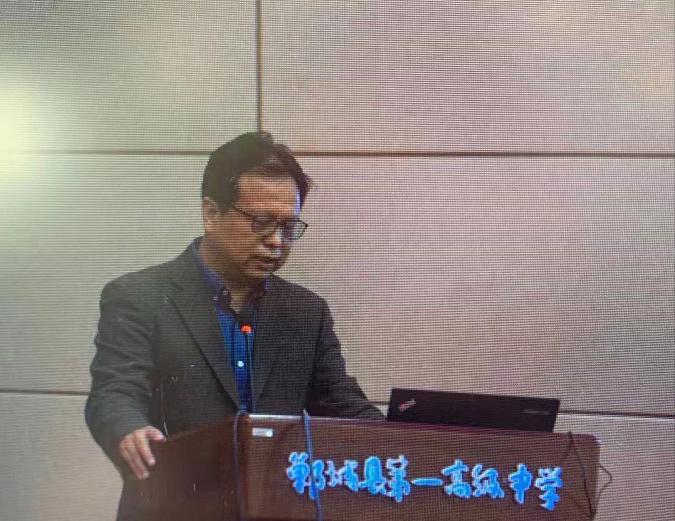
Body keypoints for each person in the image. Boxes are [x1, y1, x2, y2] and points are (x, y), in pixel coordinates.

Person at [85, 132, 382, 494]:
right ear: (211, 213)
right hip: (174, 502)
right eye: (261, 222)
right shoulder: (139, 296)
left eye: (289, 227)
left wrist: (417, 438)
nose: (276, 241)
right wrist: (129, 429)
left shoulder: (306, 312)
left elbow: (342, 404)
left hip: (275, 506)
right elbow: (114, 392)